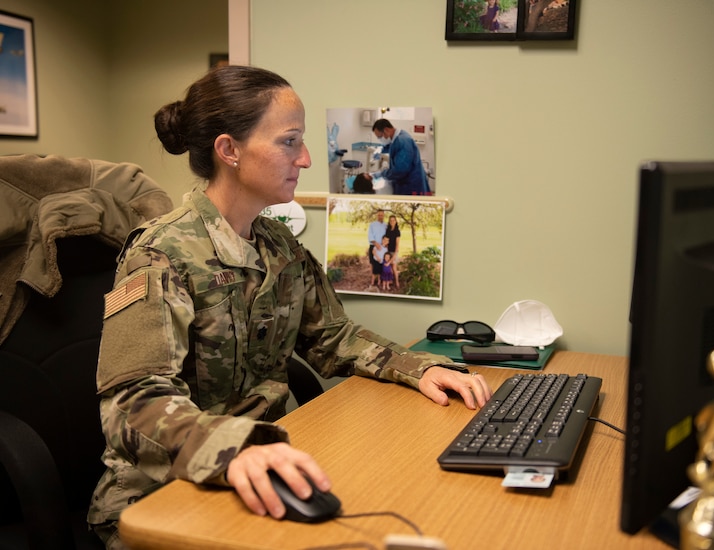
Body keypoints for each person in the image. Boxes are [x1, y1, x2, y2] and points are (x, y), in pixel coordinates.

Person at [86, 65, 492, 549]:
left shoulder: (278, 242)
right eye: (289, 141)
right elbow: (131, 403)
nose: (304, 159)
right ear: (229, 150)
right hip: (164, 493)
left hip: (265, 463)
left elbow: (331, 337)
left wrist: (418, 367)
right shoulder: (159, 253)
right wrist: (233, 451)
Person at [364, 119, 430, 195]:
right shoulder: (397, 137)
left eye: (380, 137)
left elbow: (399, 171)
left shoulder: (403, 141)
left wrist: (380, 174)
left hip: (411, 186)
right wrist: (380, 149)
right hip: (405, 183)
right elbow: (390, 147)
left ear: (386, 130)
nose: (380, 139)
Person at [367, 209, 386, 288]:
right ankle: (373, 278)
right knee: (373, 263)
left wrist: (383, 245)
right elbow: (370, 235)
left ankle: (380, 279)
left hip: (382, 248)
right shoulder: (372, 224)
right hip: (374, 246)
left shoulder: (386, 225)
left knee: (381, 262)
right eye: (379, 215)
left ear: (383, 215)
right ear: (376, 215)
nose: (380, 216)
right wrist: (375, 243)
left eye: (381, 215)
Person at [385, 214, 402, 287]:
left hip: (394, 251)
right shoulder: (388, 230)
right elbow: (386, 241)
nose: (392, 221)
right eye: (390, 220)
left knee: (394, 267)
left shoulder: (397, 231)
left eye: (393, 220)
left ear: (395, 221)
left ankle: (397, 282)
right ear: (389, 221)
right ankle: (391, 280)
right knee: (390, 267)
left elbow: (397, 244)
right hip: (388, 251)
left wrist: (395, 254)